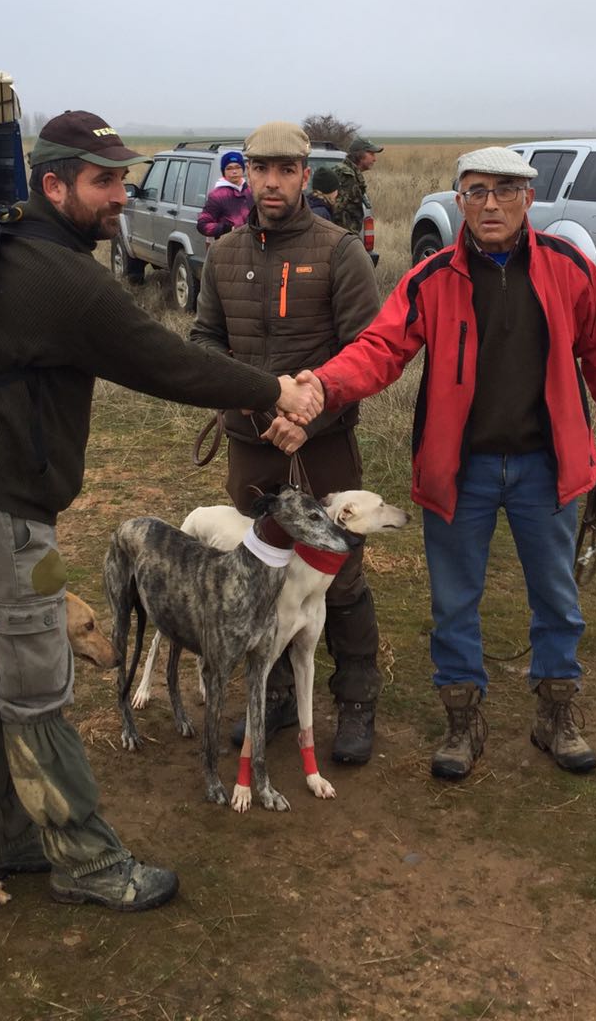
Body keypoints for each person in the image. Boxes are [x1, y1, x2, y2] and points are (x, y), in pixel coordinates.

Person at [0, 110, 322, 912]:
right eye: (102, 182)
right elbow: (161, 359)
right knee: (34, 675)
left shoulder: (14, 244)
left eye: (122, 179)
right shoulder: (59, 275)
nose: (118, 196)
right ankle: (87, 861)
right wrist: (272, 388)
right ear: (53, 183)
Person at [304, 146, 596, 782]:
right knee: (455, 603)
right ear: (459, 200)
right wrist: (321, 386)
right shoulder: (432, 278)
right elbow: (379, 349)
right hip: (461, 472)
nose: (491, 203)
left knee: (558, 597)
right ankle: (462, 721)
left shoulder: (568, 269)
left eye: (506, 190)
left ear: (528, 199)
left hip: (548, 467)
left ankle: (557, 714)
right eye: (477, 191)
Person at [191, 121, 384, 763]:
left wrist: (308, 417)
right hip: (251, 445)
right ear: (245, 172)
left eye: (285, 169)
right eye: (260, 169)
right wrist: (255, 399)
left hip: (325, 446)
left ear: (305, 173)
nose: (271, 182)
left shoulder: (339, 251)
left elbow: (368, 352)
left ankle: (356, 698)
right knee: (259, 574)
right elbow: (204, 344)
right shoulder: (223, 255)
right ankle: (271, 698)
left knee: (341, 573)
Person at [329, 136, 382, 237]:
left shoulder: (352, 173)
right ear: (360, 155)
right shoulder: (347, 175)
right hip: (342, 237)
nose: (374, 159)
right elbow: (336, 210)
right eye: (371, 154)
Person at [195, 150, 252, 238]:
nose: (234, 172)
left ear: (243, 169)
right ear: (223, 171)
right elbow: (203, 225)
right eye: (229, 168)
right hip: (228, 246)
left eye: (238, 167)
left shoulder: (251, 190)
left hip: (253, 245)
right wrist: (227, 229)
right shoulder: (216, 195)